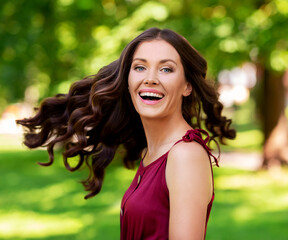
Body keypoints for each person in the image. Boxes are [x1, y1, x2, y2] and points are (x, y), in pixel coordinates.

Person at [17, 27, 235, 239]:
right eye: (140, 67)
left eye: (166, 69)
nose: (150, 78)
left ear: (187, 86)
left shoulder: (185, 155)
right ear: (128, 80)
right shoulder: (152, 153)